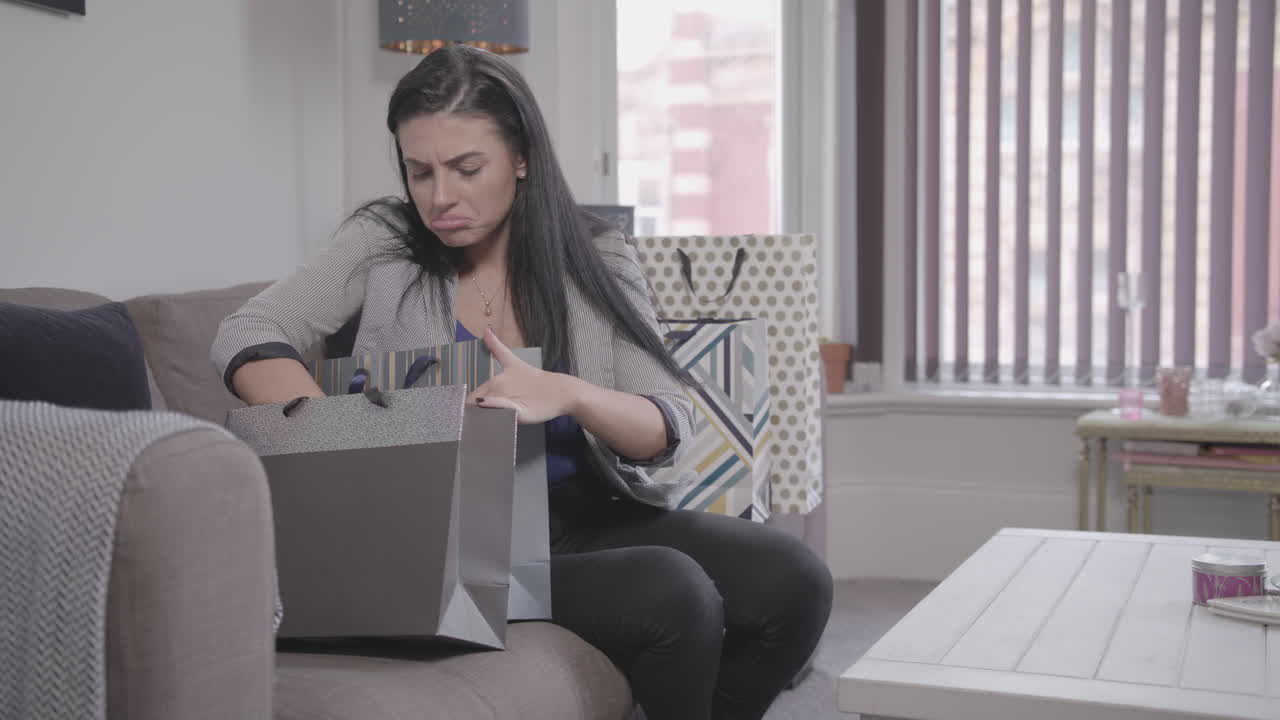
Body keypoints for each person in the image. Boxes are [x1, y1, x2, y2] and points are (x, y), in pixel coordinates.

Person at [212, 44, 831, 720]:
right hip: (444, 537)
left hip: (580, 519)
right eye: (419, 172)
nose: (439, 196)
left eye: (465, 168)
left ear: (521, 158)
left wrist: (568, 392)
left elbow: (665, 424)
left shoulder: (597, 254)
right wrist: (344, 436)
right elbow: (245, 333)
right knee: (674, 591)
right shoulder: (382, 241)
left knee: (795, 581)